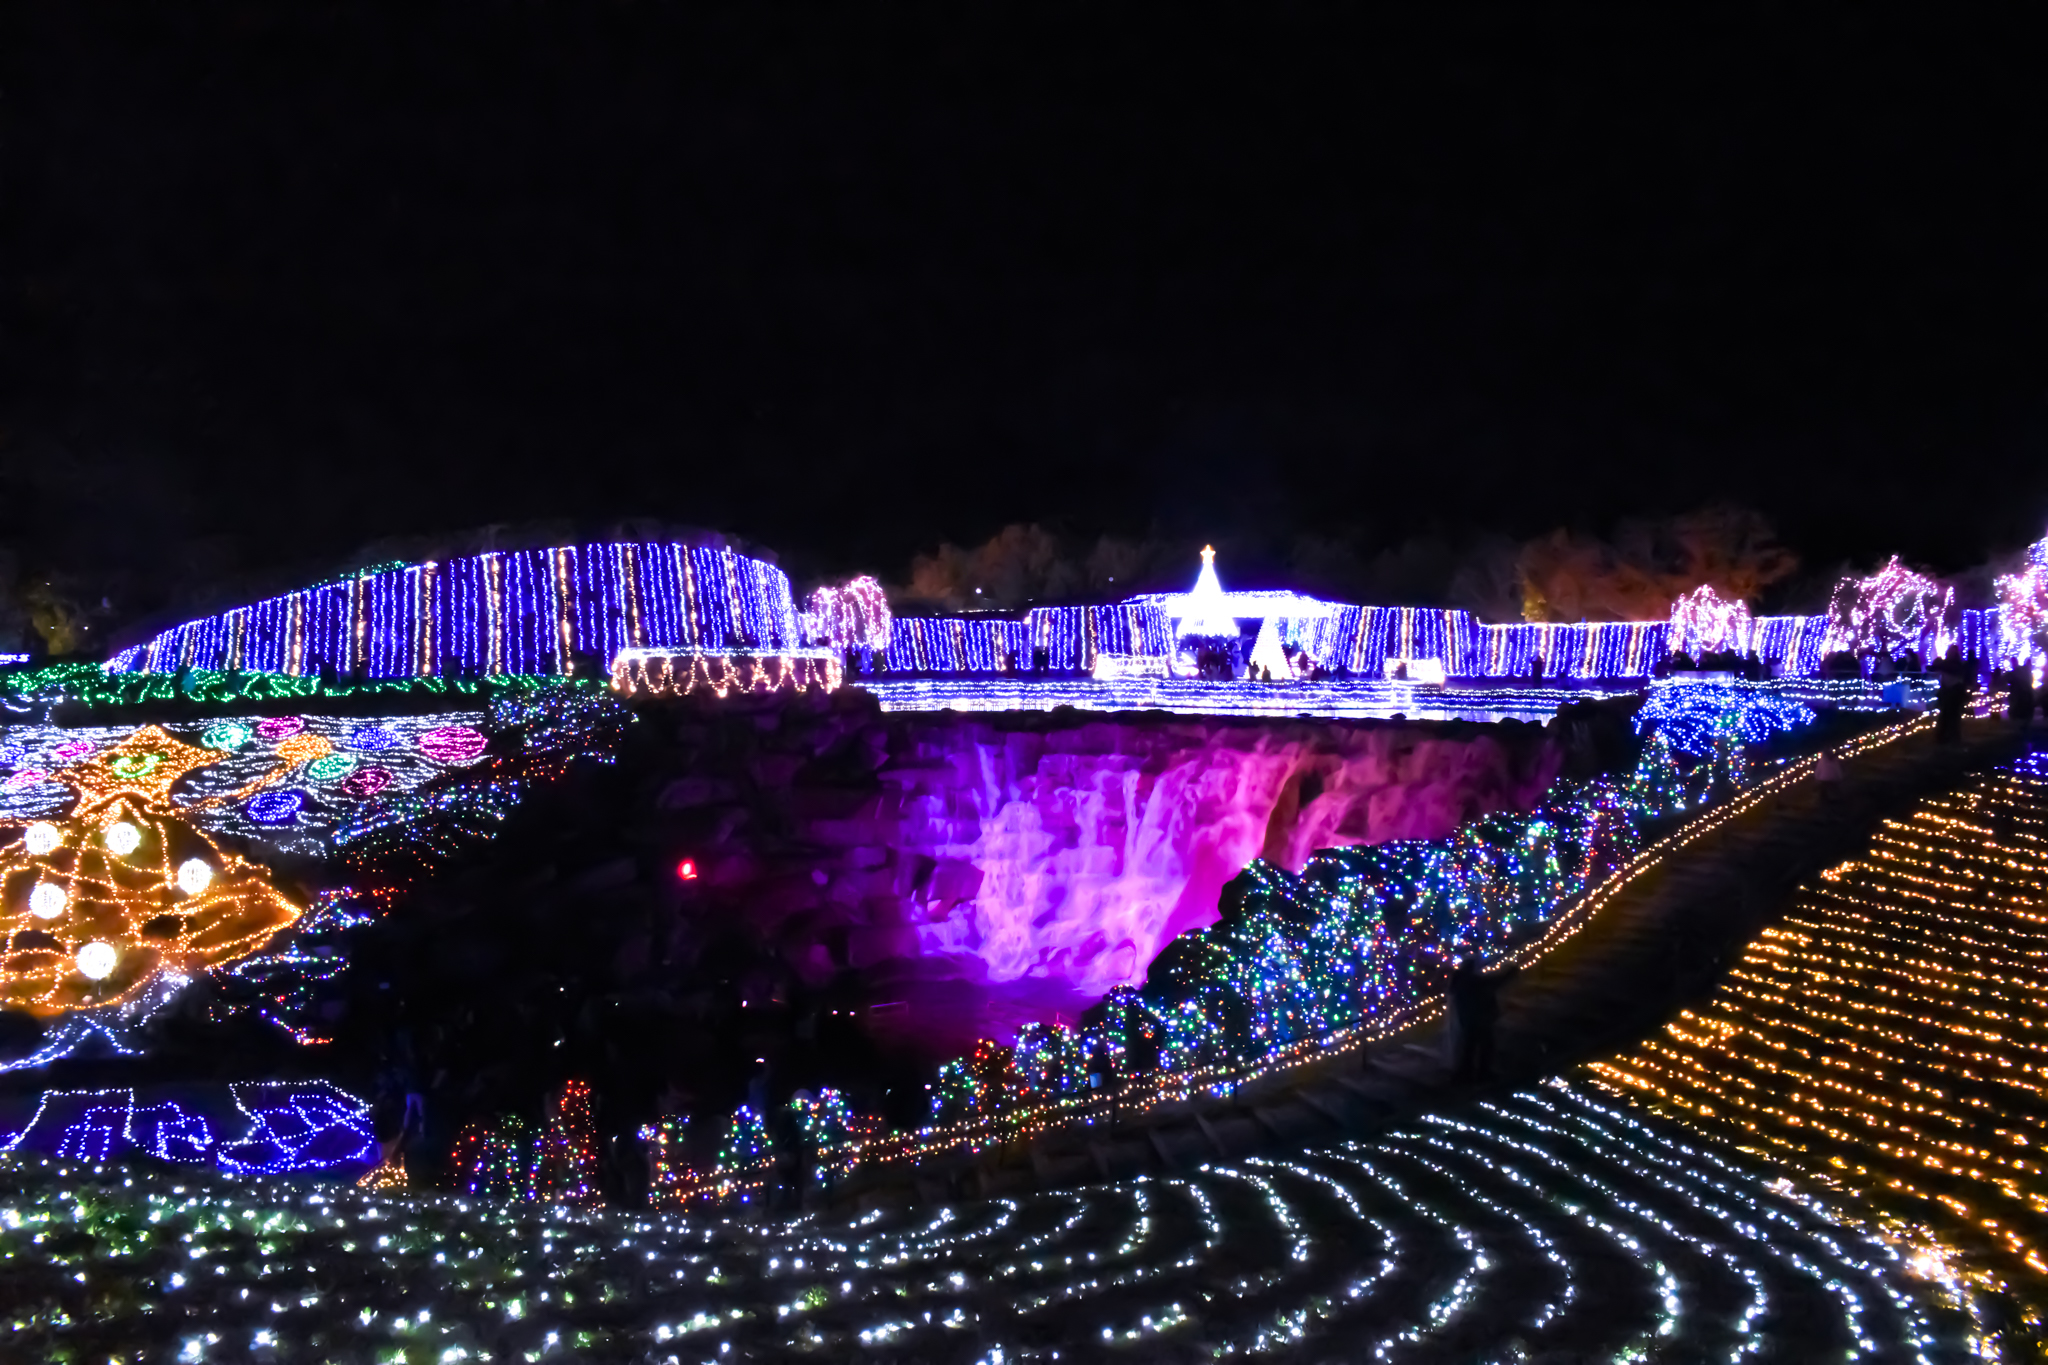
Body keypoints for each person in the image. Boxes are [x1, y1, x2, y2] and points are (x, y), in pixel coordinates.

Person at [1449, 955, 1518, 1081]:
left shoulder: (1461, 980)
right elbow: (1493, 982)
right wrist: (1509, 973)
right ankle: (1481, 1073)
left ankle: (1466, 1073)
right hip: (1478, 1019)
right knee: (1484, 1046)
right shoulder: (1471, 981)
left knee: (1470, 1046)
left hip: (1470, 1019)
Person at [2009, 658, 2035, 729]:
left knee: (2022, 709)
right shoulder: (2022, 671)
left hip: (2022, 694)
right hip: (2022, 693)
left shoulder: (2021, 671)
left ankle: (2021, 725)